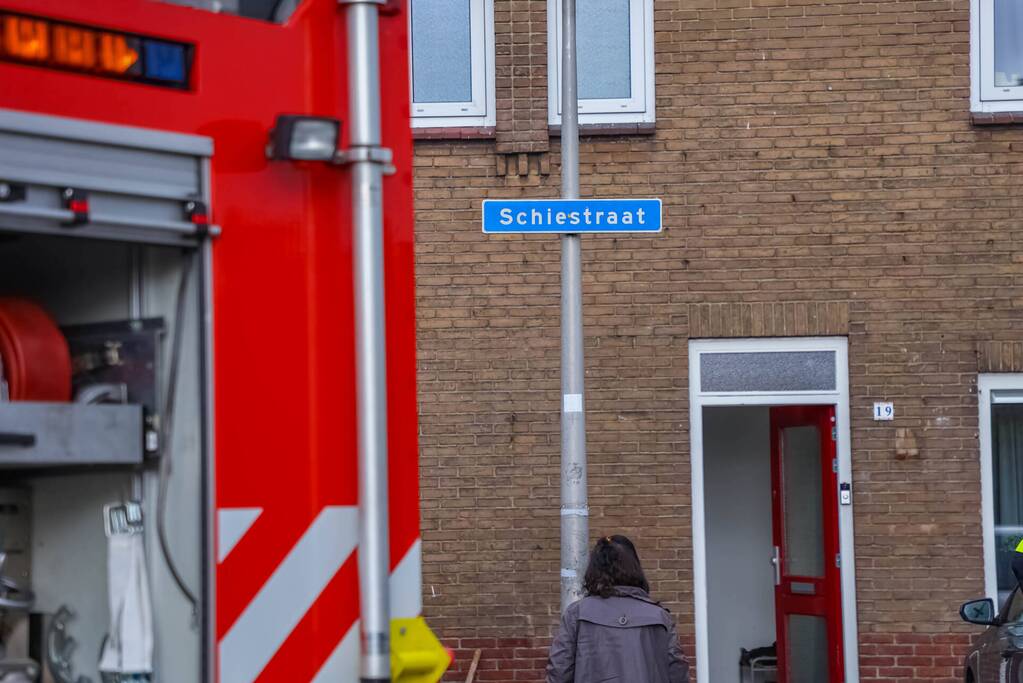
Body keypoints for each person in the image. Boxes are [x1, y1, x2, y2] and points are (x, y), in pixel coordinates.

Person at [545, 535, 690, 683]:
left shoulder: (576, 614)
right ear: (635, 567)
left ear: (594, 569)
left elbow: (559, 671)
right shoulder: (660, 616)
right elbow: (678, 672)